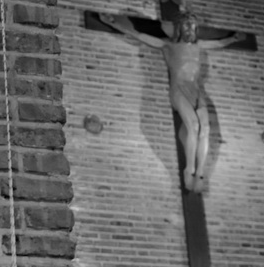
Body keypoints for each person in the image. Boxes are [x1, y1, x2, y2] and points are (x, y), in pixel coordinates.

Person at [100, 10, 245, 192]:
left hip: (196, 90)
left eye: (192, 25)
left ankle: (200, 171)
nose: (189, 28)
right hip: (179, 89)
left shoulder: (199, 45)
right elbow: (138, 35)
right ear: (179, 28)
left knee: (205, 129)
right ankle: (189, 169)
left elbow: (220, 43)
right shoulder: (167, 45)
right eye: (186, 24)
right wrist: (114, 23)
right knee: (193, 126)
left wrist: (234, 39)